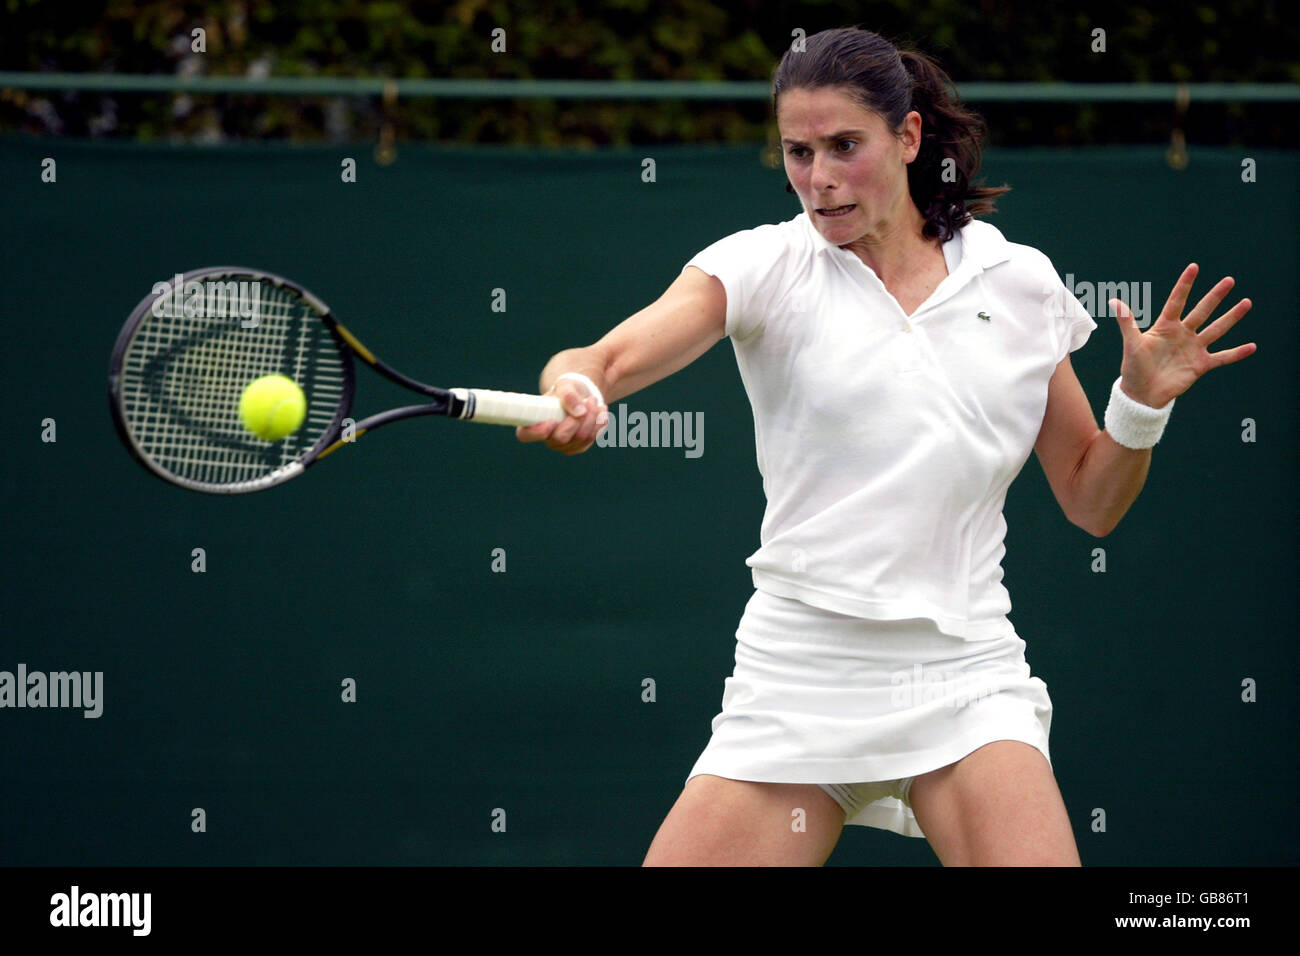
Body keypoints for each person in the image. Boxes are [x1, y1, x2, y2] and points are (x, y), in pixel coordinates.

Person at [516, 25, 1256, 866]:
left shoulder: (1019, 285)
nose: (819, 179)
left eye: (843, 146)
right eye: (798, 152)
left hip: (966, 675)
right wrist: (572, 389)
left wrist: (1139, 405)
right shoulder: (762, 266)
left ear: (908, 138)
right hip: (799, 671)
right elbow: (602, 360)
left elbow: (1092, 501)